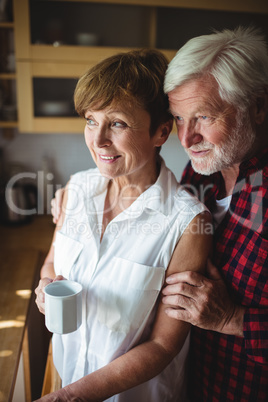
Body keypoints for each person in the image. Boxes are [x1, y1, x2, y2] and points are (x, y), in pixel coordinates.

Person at [35, 49, 212, 402]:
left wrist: (72, 397)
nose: (97, 140)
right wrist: (45, 286)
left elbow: (164, 345)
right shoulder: (77, 189)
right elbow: (53, 262)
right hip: (66, 378)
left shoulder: (187, 223)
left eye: (116, 123)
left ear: (161, 132)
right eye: (90, 120)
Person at [161, 26, 268, 401]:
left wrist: (233, 319)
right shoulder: (199, 174)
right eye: (178, 118)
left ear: (257, 106)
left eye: (204, 117)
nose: (186, 138)